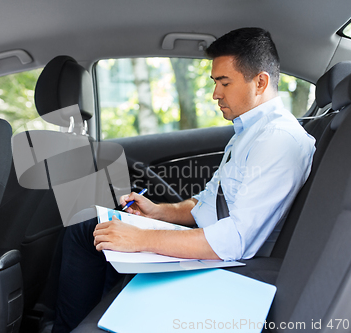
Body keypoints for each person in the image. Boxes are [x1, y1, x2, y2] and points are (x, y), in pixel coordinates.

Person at [52, 27, 316, 333]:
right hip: (210, 245)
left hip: (227, 264)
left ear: (260, 82)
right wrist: (158, 211)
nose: (215, 93)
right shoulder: (249, 133)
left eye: (224, 82)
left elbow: (235, 241)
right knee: (89, 228)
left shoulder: (278, 140)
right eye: (214, 82)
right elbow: (206, 203)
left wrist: (142, 239)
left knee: (104, 235)